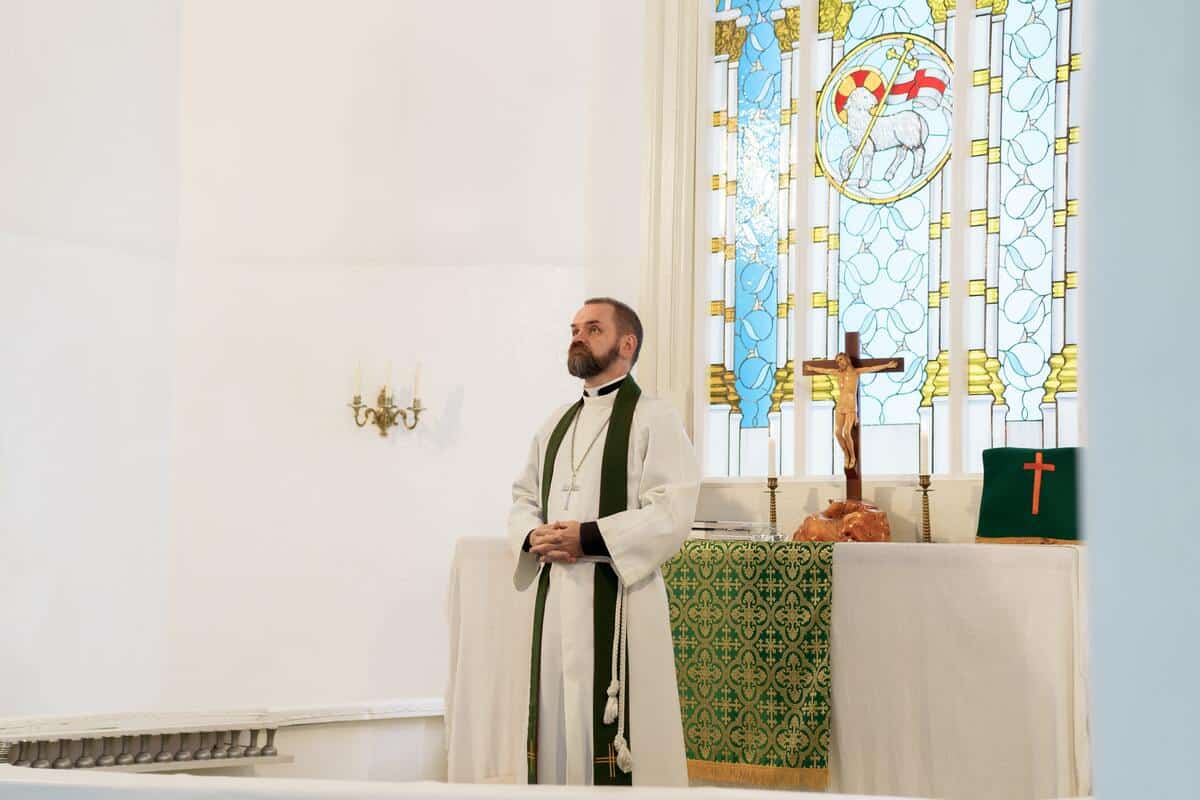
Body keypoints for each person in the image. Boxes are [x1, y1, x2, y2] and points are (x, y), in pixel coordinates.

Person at [507, 297, 700, 786]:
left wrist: (588, 537)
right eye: (574, 328)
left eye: (592, 328)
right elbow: (523, 496)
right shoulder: (555, 424)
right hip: (557, 604)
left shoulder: (655, 419)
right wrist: (533, 535)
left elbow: (671, 511)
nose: (577, 336)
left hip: (619, 600)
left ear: (626, 344)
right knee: (557, 720)